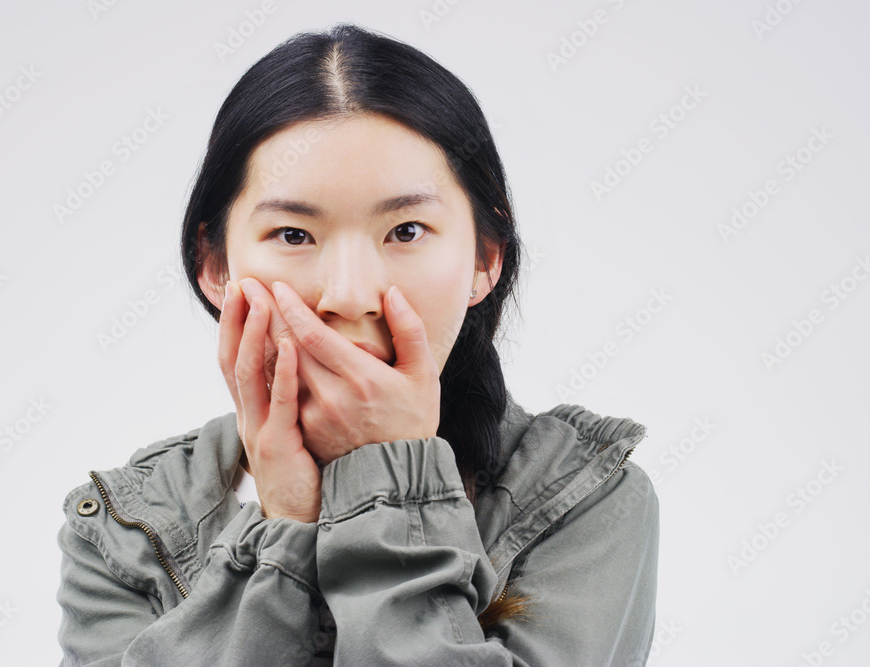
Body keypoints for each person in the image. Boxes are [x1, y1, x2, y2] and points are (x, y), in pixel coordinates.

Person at [55, 22, 659, 666]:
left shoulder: (583, 499)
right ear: (215, 266)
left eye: (405, 230)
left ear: (485, 258)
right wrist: (284, 522)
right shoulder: (125, 527)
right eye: (293, 235)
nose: (348, 295)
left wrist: (389, 478)